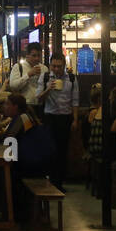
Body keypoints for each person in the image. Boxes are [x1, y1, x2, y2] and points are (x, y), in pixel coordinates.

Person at [41, 52, 78, 189]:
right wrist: (48, 89)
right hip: (50, 117)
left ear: (64, 66)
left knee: (62, 150)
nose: (56, 69)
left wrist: (75, 120)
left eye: (59, 66)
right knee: (50, 150)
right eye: (54, 66)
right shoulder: (45, 77)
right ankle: (50, 180)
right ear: (50, 65)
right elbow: (39, 99)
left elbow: (75, 100)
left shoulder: (72, 79)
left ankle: (59, 183)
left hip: (65, 117)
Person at [6, 42, 49, 109]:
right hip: (24, 105)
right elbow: (13, 86)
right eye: (34, 55)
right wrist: (28, 75)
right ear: (27, 55)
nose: (37, 58)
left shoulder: (44, 68)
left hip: (41, 106)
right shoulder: (18, 67)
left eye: (39, 55)